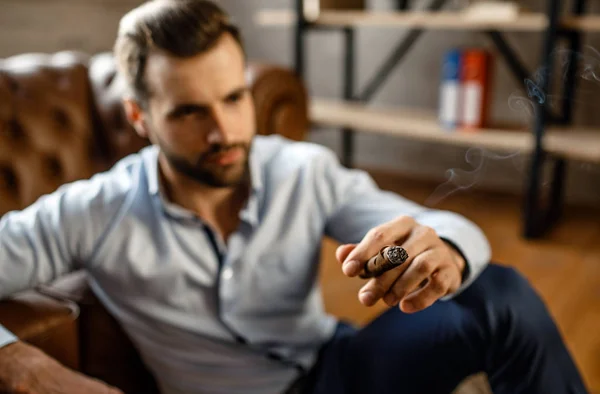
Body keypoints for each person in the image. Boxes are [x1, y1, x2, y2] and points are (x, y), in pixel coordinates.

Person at [0, 1, 589, 393]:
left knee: (502, 295)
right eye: (189, 112)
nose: (224, 133)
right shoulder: (92, 209)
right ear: (139, 116)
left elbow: (444, 226)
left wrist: (443, 250)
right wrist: (20, 364)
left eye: (234, 98)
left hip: (342, 369)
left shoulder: (302, 169)